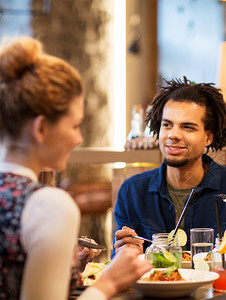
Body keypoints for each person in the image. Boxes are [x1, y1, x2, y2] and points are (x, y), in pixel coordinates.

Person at [0, 37, 151, 300]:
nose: (78, 138)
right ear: (41, 128)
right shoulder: (48, 205)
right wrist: (109, 283)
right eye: (74, 125)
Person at [113, 77, 226, 256]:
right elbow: (117, 265)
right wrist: (125, 252)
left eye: (188, 127)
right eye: (167, 125)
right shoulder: (132, 191)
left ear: (208, 137)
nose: (173, 135)